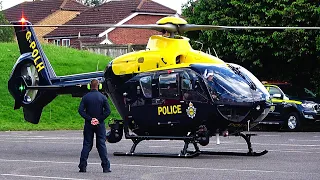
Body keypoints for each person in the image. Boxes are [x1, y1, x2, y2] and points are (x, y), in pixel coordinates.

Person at [78, 79, 111, 173]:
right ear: (99, 86)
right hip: (100, 125)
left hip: (89, 124)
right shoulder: (103, 97)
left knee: (87, 144)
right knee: (101, 144)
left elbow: (81, 111)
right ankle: (106, 167)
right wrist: (98, 119)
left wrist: (90, 119)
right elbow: (108, 111)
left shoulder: (85, 97)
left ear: (89, 86)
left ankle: (82, 166)